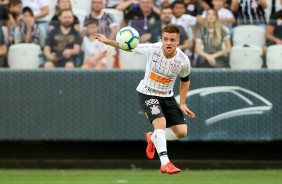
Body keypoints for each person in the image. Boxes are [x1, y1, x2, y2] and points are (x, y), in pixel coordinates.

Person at [95, 25, 196, 174]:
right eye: (166, 39)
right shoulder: (152, 49)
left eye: (172, 40)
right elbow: (128, 46)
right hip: (148, 93)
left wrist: (182, 102)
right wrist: (108, 41)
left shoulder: (183, 60)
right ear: (162, 39)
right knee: (160, 123)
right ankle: (165, 163)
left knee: (181, 132)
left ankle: (153, 137)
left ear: (178, 41)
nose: (168, 43)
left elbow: (185, 80)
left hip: (167, 96)